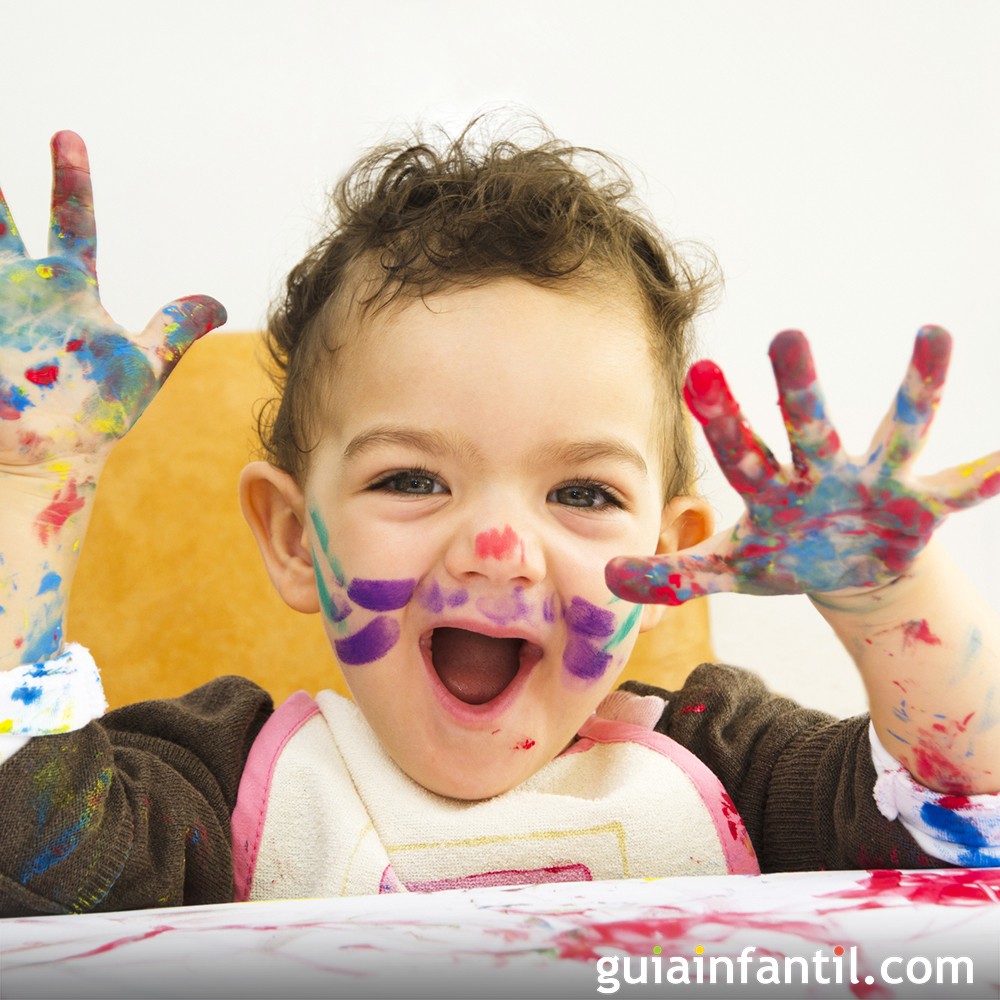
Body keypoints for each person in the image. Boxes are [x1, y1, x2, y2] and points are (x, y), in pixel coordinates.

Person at [1, 124, 997, 918]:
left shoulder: (726, 763)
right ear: (297, 536)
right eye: (413, 479)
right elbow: (33, 845)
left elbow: (962, 831)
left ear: (670, 557)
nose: (496, 548)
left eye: (581, 493)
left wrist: (887, 597)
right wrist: (26, 484)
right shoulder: (228, 785)